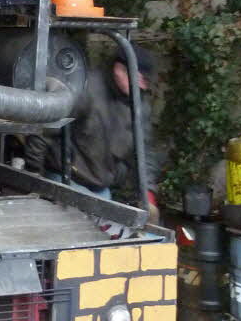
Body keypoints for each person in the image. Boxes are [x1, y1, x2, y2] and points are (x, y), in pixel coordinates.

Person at [26, 46, 159, 216]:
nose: (142, 87)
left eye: (145, 82)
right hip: (65, 180)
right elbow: (44, 130)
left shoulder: (139, 106)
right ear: (119, 69)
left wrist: (147, 193)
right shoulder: (85, 88)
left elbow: (144, 150)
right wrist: (34, 176)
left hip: (102, 188)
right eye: (138, 79)